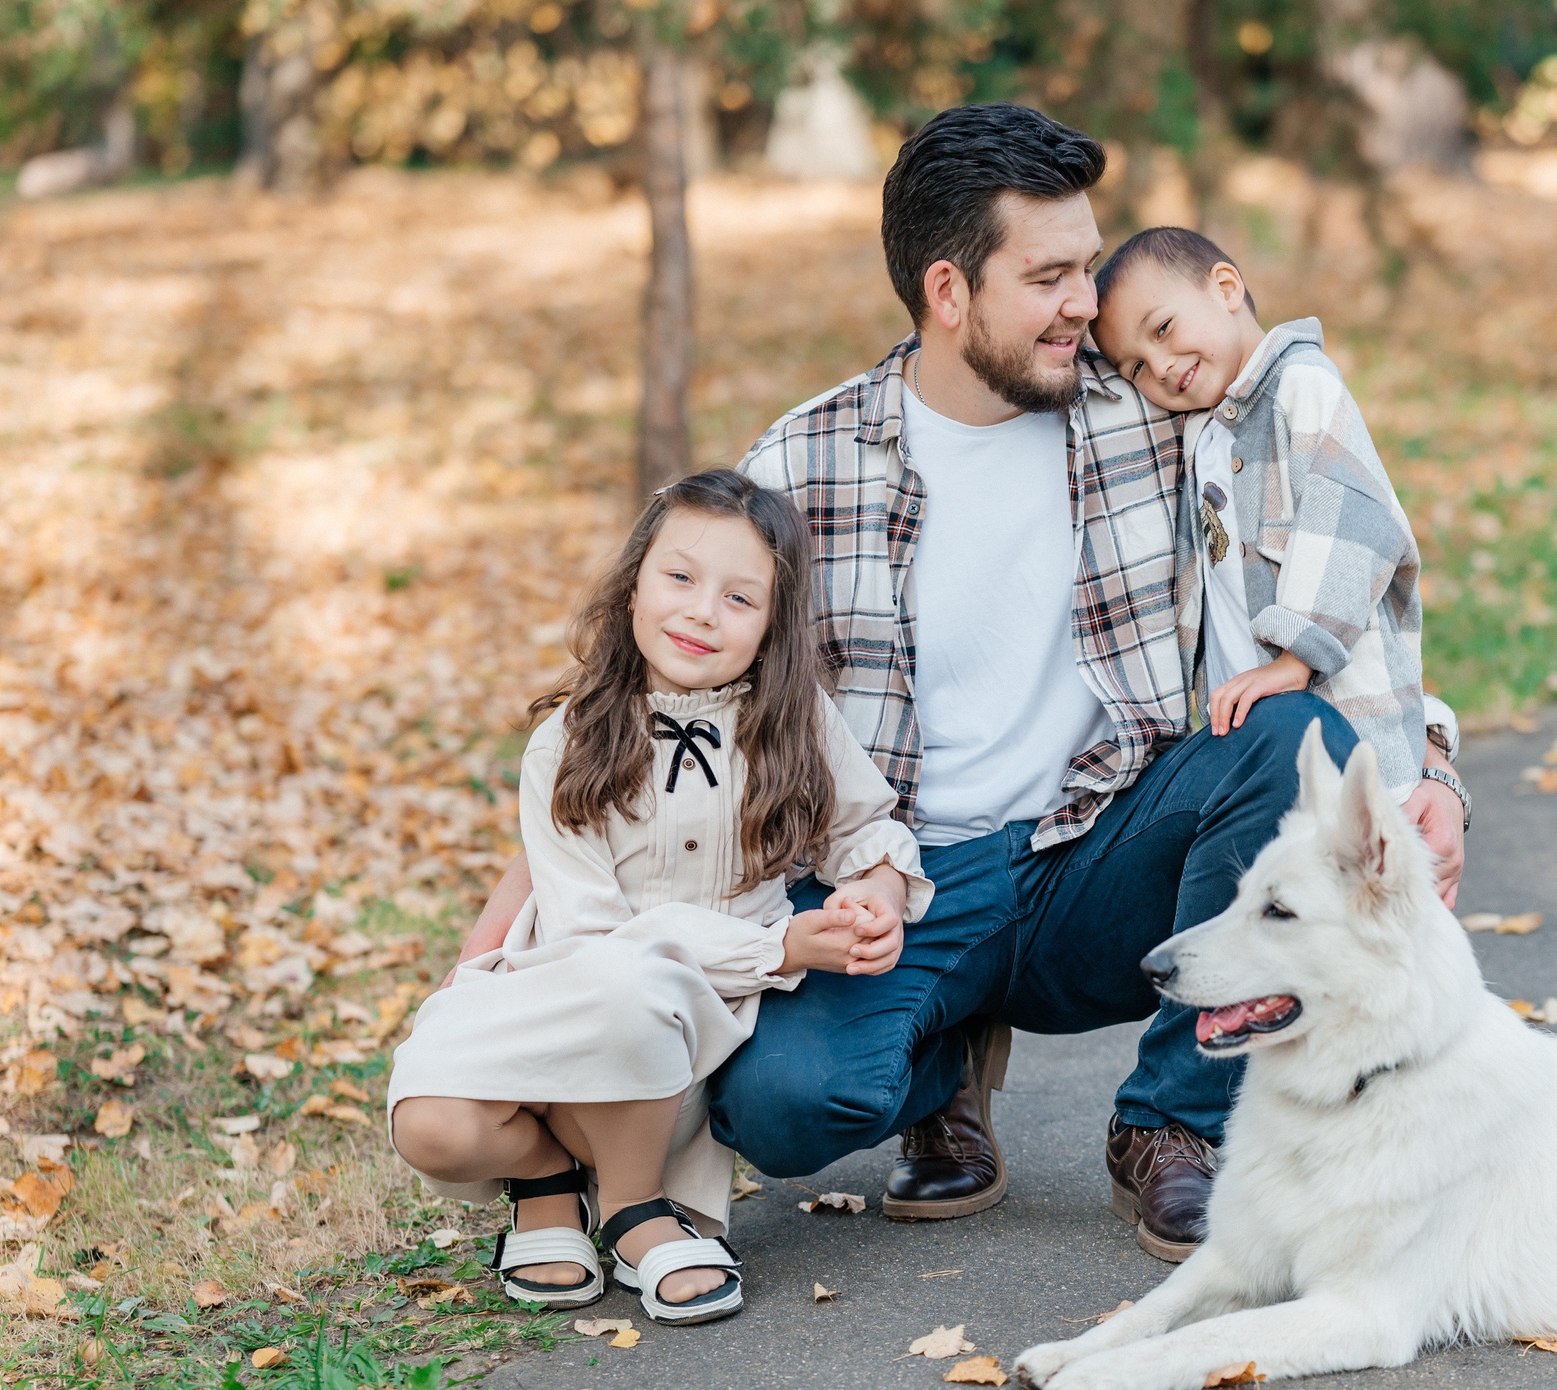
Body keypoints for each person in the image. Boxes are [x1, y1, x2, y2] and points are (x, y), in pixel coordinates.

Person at [448, 103, 1467, 1265]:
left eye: (1087, 266)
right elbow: (649, 701)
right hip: (903, 884)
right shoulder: (801, 465)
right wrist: (504, 930)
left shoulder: (1156, 411)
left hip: (1097, 851)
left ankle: (1168, 1121)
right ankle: (942, 1064)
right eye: (1049, 277)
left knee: (1281, 735)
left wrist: (1430, 765)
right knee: (781, 1111)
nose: (1087, 303)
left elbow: (1336, 557)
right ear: (948, 290)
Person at [387, 470, 929, 1323]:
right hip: (563, 993)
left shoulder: (796, 723)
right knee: (431, 1125)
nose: (702, 612)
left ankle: (635, 1204)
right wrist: (778, 949)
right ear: (633, 585)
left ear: (773, 625)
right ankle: (545, 1176)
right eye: (679, 577)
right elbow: (594, 941)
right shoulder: (566, 740)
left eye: (740, 598)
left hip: (674, 1048)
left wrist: (877, 894)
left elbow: (866, 829)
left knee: (640, 996)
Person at [1091, 226, 1429, 796]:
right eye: (1136, 369)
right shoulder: (1201, 433)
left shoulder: (1302, 386)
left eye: (1163, 329)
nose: (1161, 366)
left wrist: (1295, 660)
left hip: (1351, 734)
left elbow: (1352, 522)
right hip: (1256, 747)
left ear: (1226, 288)